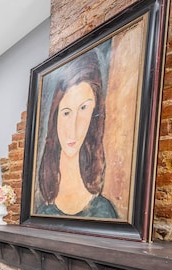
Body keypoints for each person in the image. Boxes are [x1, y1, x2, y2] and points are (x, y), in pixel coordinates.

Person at [36, 50, 118, 219]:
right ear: (55, 117)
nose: (73, 128)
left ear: (95, 113)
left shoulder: (104, 211)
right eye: (66, 113)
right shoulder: (40, 211)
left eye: (83, 109)